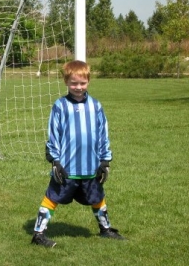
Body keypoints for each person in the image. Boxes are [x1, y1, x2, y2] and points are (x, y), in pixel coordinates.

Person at [31, 60, 125, 248]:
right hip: (67, 167)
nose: (78, 87)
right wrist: (55, 161)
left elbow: (103, 133)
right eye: (74, 83)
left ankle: (105, 229)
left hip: (91, 166)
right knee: (52, 197)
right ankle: (38, 234)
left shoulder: (96, 106)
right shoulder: (60, 106)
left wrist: (105, 160)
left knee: (97, 197)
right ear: (66, 82)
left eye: (82, 83)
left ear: (88, 82)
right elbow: (53, 135)